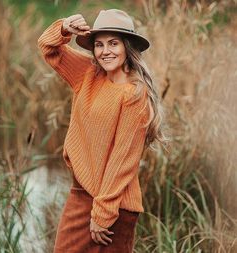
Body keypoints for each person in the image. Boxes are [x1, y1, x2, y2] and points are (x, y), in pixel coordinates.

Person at [38, 8, 167, 253]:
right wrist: (65, 27)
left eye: (113, 43)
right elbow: (48, 48)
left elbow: (123, 159)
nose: (105, 51)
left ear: (127, 47)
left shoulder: (134, 95)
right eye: (99, 45)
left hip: (113, 205)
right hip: (80, 194)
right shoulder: (89, 73)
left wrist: (103, 213)